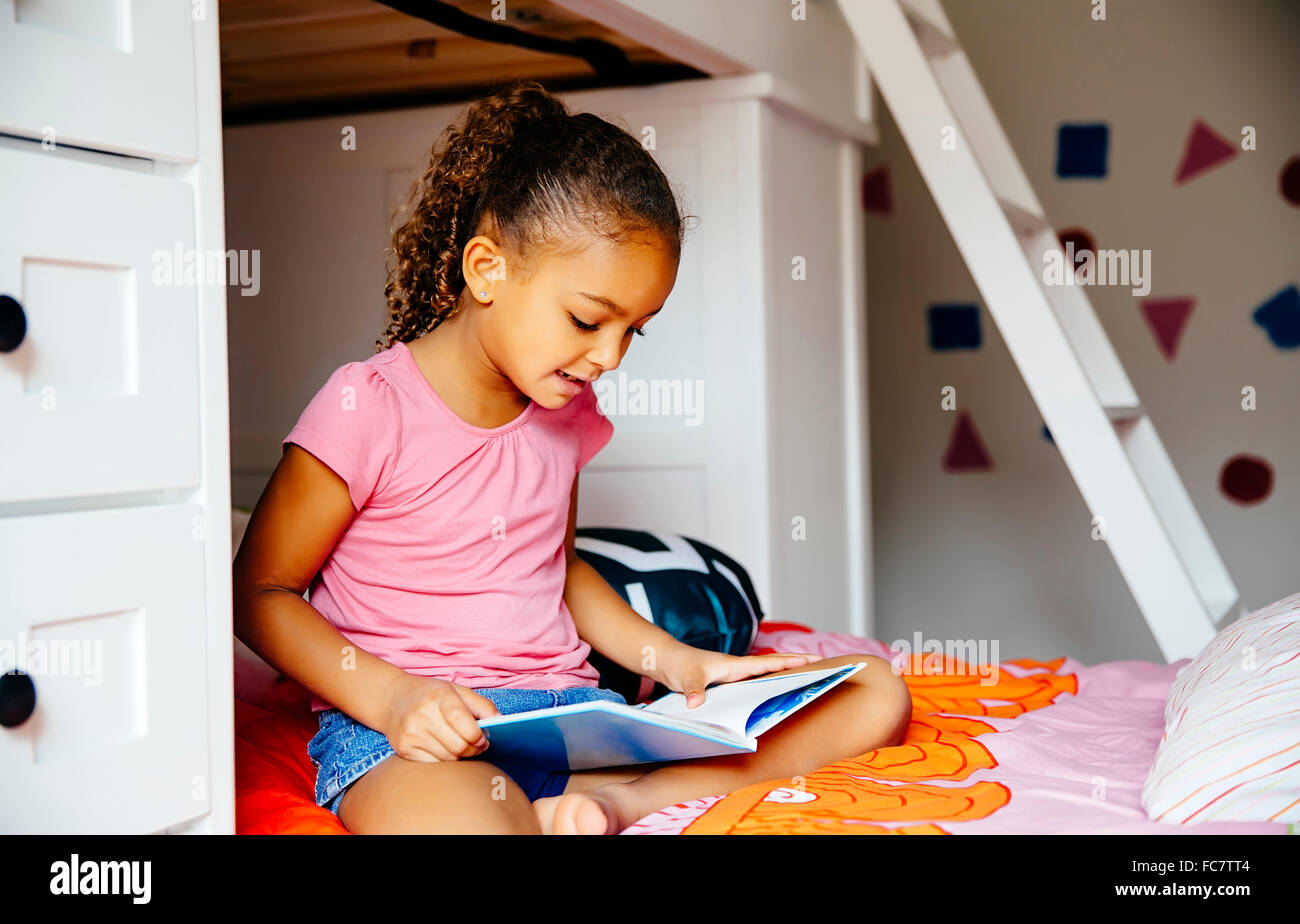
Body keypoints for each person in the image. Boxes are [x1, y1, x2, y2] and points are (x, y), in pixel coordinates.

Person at [232, 79, 912, 835]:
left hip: (568, 722)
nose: (609, 357)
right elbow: (260, 593)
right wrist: (393, 699)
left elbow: (556, 570)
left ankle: (611, 805)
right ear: (486, 269)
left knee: (875, 691)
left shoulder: (565, 413)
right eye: (589, 319)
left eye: (634, 331)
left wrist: (676, 662)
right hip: (413, 740)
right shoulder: (369, 405)